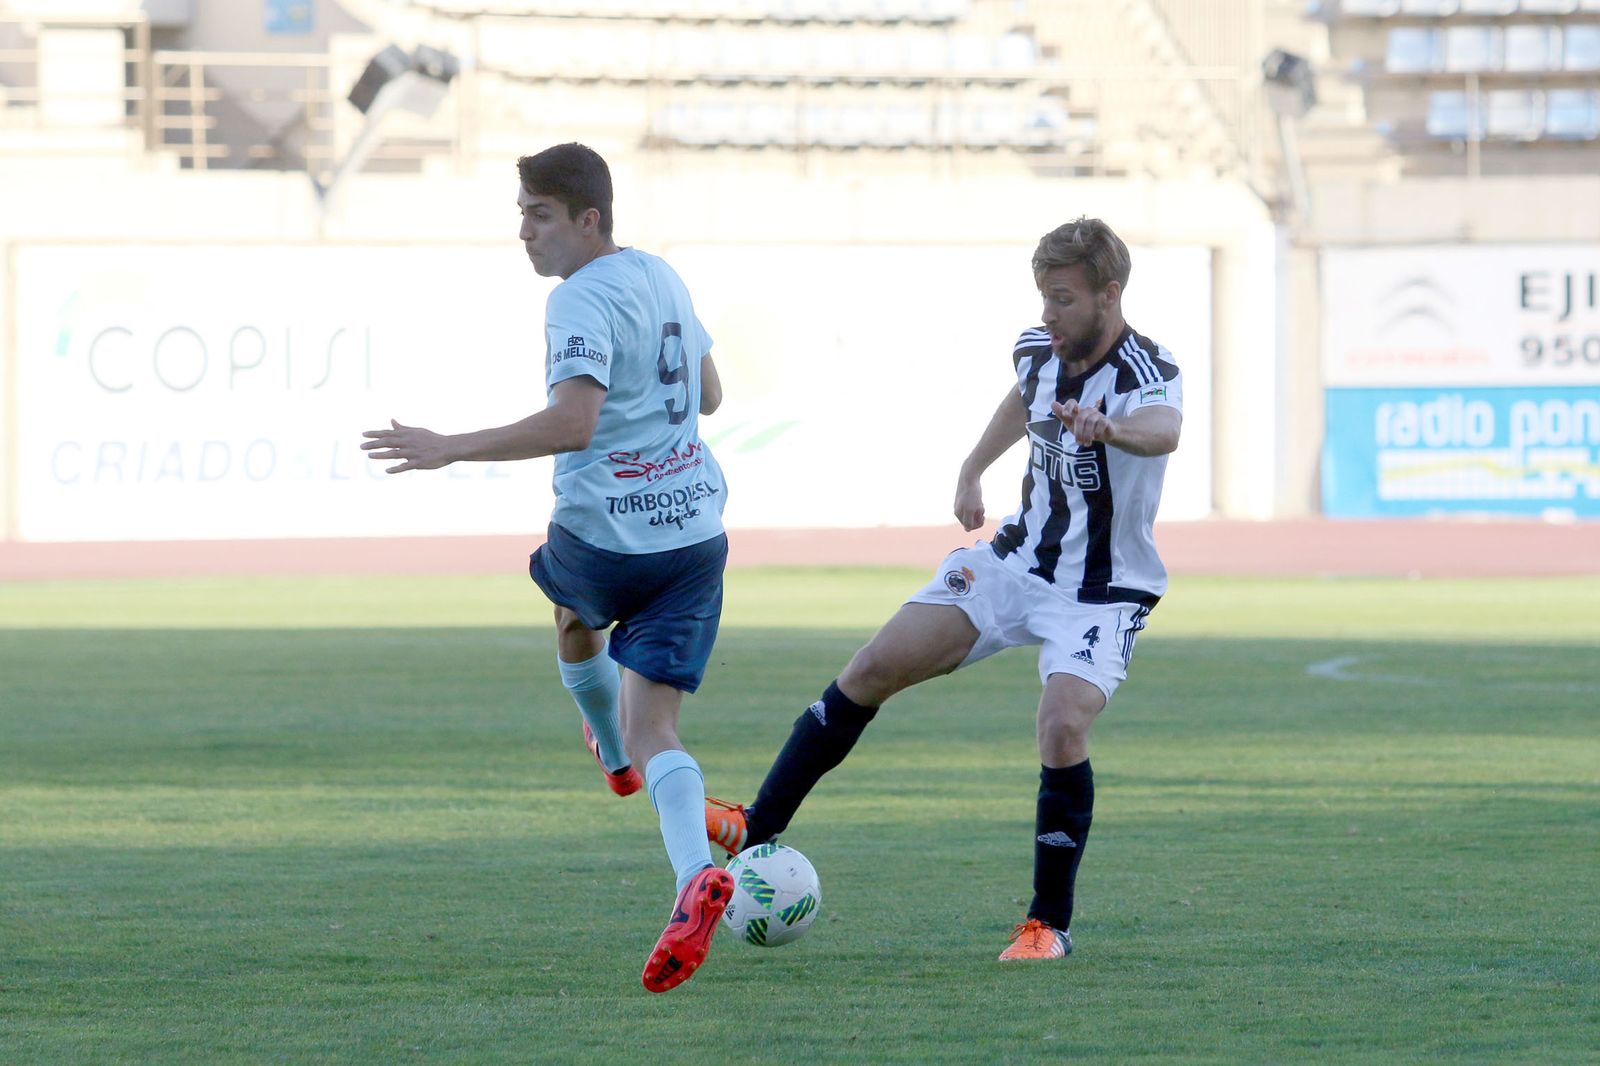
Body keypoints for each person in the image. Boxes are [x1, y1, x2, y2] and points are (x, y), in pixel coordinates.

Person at [704, 217, 1182, 961]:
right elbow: (1022, 398)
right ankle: (756, 824)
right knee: (872, 667)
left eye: (1062, 298)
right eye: (1042, 297)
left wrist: (1110, 431)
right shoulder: (1038, 349)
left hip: (1101, 591)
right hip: (1014, 563)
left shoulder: (1146, 369)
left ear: (1109, 295)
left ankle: (1045, 925)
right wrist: (972, 467)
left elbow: (1164, 428)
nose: (1047, 313)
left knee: (1061, 725)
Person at [362, 143, 735, 994]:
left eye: (538, 214)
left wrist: (450, 448)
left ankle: (607, 749)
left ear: (587, 219)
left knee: (571, 611)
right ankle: (691, 880)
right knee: (662, 731)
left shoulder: (577, 300)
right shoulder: (661, 275)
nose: (523, 233)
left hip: (606, 534)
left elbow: (573, 425)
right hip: (693, 532)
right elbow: (710, 396)